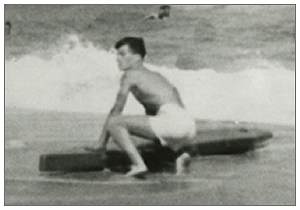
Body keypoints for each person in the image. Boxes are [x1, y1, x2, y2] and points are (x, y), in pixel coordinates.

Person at [86, 37, 196, 177]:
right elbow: (173, 99)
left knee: (114, 122)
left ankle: (138, 164)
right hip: (188, 125)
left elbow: (116, 109)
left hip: (172, 123)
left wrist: (101, 143)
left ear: (138, 57)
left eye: (123, 54)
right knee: (157, 126)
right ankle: (179, 155)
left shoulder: (130, 75)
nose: (117, 59)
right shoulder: (157, 76)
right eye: (117, 55)